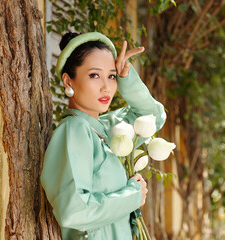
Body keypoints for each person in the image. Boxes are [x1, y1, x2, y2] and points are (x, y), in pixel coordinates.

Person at [41, 32, 166, 240]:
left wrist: (127, 79)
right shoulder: (74, 130)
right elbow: (74, 210)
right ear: (68, 81)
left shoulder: (105, 129)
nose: (106, 86)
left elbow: (152, 118)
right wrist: (132, 195)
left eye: (111, 76)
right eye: (94, 75)